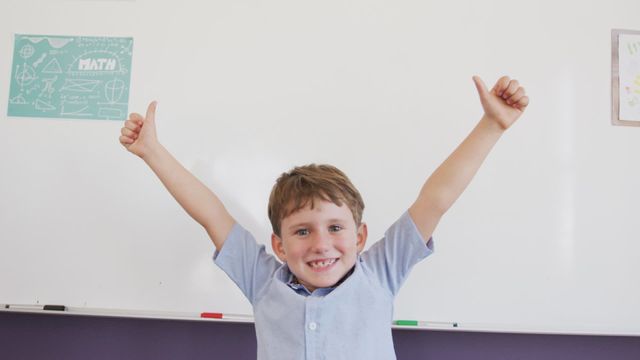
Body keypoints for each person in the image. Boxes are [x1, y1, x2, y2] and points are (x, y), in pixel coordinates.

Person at [119, 76, 528, 359]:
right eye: (301, 231)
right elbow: (211, 212)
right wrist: (152, 151)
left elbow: (436, 198)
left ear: (360, 235)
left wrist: (492, 125)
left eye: (335, 228)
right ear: (278, 244)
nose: (321, 244)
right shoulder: (263, 282)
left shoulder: (380, 274)